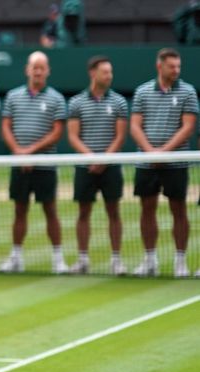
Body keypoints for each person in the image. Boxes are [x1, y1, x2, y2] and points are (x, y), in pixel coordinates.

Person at [129, 48, 198, 278]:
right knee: (147, 209)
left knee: (178, 209)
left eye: (178, 66)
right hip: (147, 163)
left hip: (176, 163)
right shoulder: (142, 91)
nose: (176, 70)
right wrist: (151, 153)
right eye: (172, 66)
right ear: (160, 66)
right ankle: (150, 261)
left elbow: (188, 127)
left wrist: (164, 153)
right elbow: (136, 125)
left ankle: (180, 262)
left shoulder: (188, 92)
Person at [0, 51, 67, 273]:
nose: (37, 71)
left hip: (44, 165)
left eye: (42, 67)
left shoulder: (56, 98)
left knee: (50, 209)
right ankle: (16, 257)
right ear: (27, 70)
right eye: (34, 67)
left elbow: (56, 132)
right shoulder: (12, 96)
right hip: (20, 165)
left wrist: (30, 152)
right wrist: (19, 153)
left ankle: (58, 259)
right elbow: (6, 127)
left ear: (47, 71)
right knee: (20, 210)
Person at [67, 55, 128, 275]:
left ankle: (116, 260)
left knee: (114, 211)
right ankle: (82, 259)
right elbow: (73, 136)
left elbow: (120, 136)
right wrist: (91, 158)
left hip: (111, 167)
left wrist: (104, 159)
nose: (109, 76)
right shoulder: (76, 102)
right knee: (83, 212)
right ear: (93, 73)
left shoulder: (119, 102)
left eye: (110, 72)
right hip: (85, 167)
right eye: (105, 72)